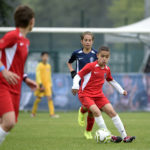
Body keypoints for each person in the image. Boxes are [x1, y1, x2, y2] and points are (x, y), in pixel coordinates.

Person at [72, 46, 135, 143]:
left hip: (99, 95)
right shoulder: (90, 66)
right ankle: (109, 136)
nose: (104, 58)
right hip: (85, 94)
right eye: (102, 56)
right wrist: (75, 85)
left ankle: (125, 136)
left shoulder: (106, 69)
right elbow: (77, 76)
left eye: (107, 57)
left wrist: (121, 90)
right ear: (97, 56)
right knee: (96, 112)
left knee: (112, 112)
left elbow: (111, 81)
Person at [0, 5, 38, 144]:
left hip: (15, 87)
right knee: (9, 122)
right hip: (3, 84)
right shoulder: (13, 35)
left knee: (8, 123)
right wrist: (3, 70)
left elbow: (16, 65)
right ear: (31, 21)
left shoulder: (25, 41)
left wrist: (25, 79)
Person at [67, 31, 97, 139]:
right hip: (81, 84)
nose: (88, 42)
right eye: (86, 40)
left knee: (91, 110)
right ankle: (88, 130)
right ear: (82, 41)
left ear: (92, 42)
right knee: (91, 108)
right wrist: (72, 71)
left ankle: (88, 131)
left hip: (93, 85)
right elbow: (69, 62)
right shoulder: (77, 53)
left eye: (90, 40)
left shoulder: (96, 54)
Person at [31, 52, 59, 118]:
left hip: (48, 85)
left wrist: (51, 85)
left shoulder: (48, 66)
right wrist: (40, 84)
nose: (45, 58)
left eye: (47, 56)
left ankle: (52, 114)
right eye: (44, 56)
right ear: (41, 57)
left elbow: (49, 76)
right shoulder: (39, 65)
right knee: (38, 98)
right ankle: (33, 113)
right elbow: (38, 75)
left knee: (50, 98)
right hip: (41, 85)